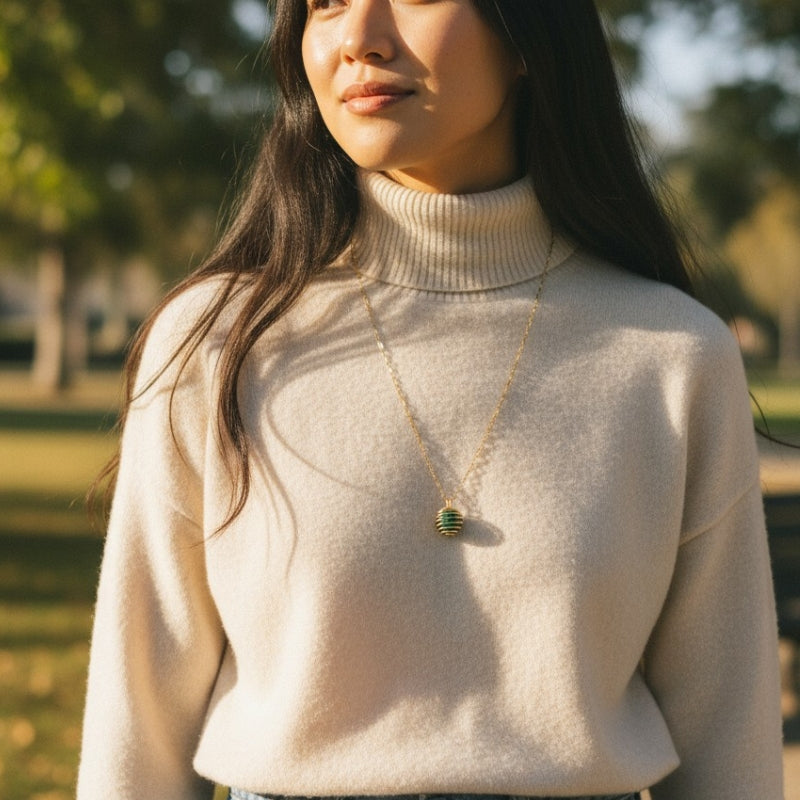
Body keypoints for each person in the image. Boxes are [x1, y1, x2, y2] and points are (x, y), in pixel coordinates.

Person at [77, 1, 784, 799]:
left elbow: (732, 742)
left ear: (528, 35)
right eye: (325, 4)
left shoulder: (673, 355)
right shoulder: (217, 343)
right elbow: (135, 730)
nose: (358, 39)